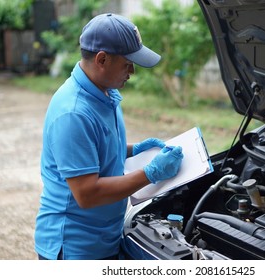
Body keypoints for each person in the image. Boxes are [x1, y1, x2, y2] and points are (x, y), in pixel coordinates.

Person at [34, 13, 184, 260]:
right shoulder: (73, 113)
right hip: (75, 247)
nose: (132, 71)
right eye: (127, 64)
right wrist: (150, 173)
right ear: (102, 59)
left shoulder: (104, 92)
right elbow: (87, 192)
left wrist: (134, 150)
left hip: (103, 236)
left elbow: (96, 146)